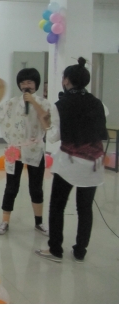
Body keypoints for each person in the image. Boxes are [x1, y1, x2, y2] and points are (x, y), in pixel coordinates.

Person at [35, 57, 108, 263]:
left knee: (57, 206)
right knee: (85, 209)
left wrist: (45, 122)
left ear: (66, 80)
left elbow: (54, 137)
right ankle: (80, 251)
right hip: (94, 164)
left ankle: (55, 249)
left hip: (69, 163)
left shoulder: (61, 105)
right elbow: (100, 130)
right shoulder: (98, 103)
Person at [0, 68, 51, 236]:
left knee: (36, 187)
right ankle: (5, 221)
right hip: (13, 150)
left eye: (29, 82)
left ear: (36, 84)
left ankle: (39, 222)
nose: (26, 86)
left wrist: (33, 102)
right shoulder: (11, 103)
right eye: (22, 83)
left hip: (34, 149)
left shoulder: (44, 103)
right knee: (11, 187)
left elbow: (47, 122)